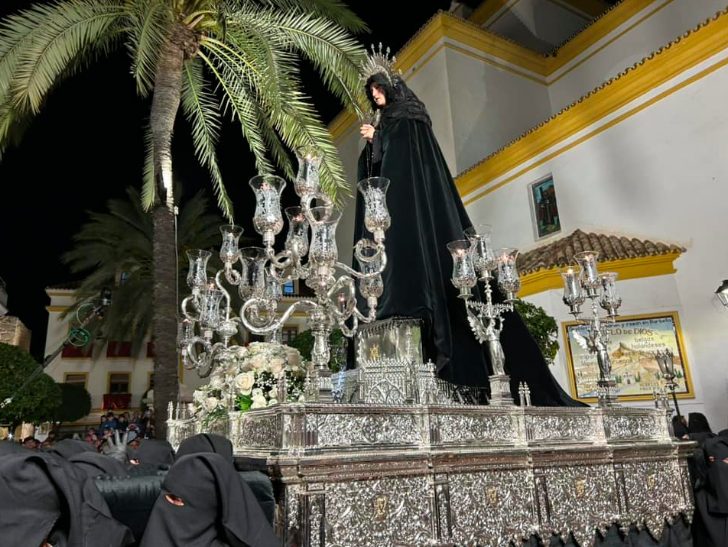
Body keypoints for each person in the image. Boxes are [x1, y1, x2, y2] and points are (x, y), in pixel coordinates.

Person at [354, 46, 580, 406]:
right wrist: (372, 146)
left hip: (417, 210)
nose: (376, 96)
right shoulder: (388, 123)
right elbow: (379, 169)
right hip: (394, 213)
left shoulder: (408, 118)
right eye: (372, 92)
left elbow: (406, 160)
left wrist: (379, 139)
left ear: (390, 87)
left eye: (378, 89)